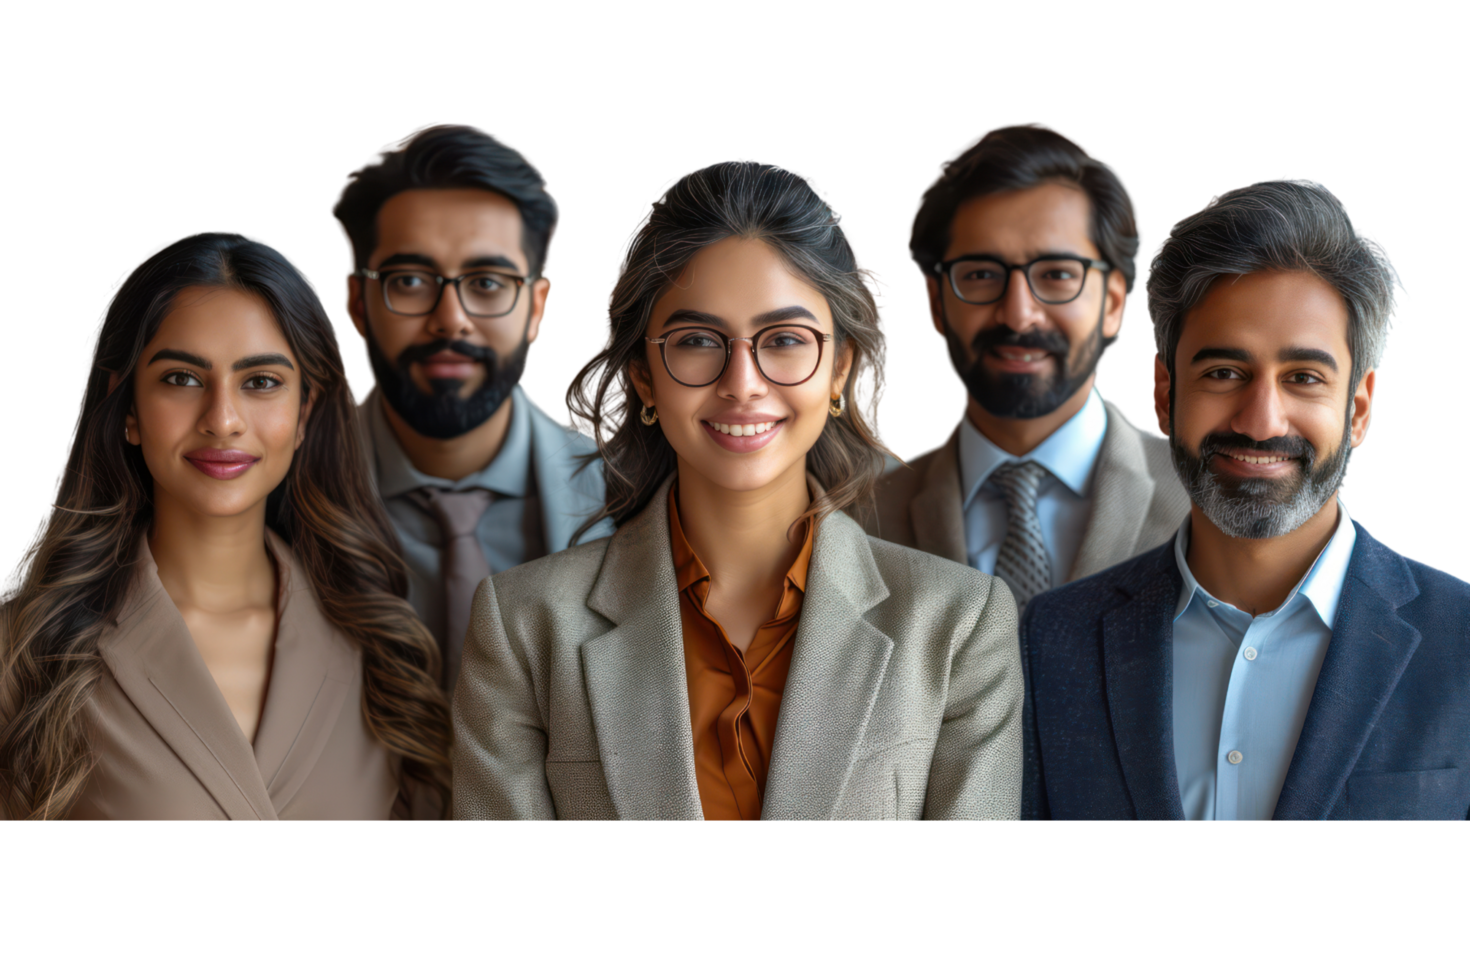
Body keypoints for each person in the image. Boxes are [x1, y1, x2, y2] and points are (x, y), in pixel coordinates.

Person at [453, 160, 1023, 821]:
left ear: (838, 368)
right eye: (698, 341)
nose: (742, 382)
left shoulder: (956, 625)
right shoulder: (525, 627)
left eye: (784, 340)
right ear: (644, 376)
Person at [1022, 177, 1468, 821]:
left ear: (1360, 408)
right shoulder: (1053, 642)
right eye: (1224, 373)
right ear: (1165, 394)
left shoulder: (1464, 643)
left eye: (1304, 378)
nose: (1261, 421)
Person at [0, 231, 450, 821]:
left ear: (306, 412)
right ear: (128, 409)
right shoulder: (25, 650)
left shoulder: (384, 651)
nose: (223, 419)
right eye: (182, 378)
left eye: (260, 382)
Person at [332, 122, 610, 695]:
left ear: (538, 308)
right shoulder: (278, 496)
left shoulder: (631, 500)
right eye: (409, 280)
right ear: (357, 302)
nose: (450, 318)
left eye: (487, 282)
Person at [870, 123, 1190, 612]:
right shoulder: (861, 520)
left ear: (1114, 304)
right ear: (935, 303)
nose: (1018, 313)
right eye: (980, 274)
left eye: (1057, 275)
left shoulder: (1204, 501)